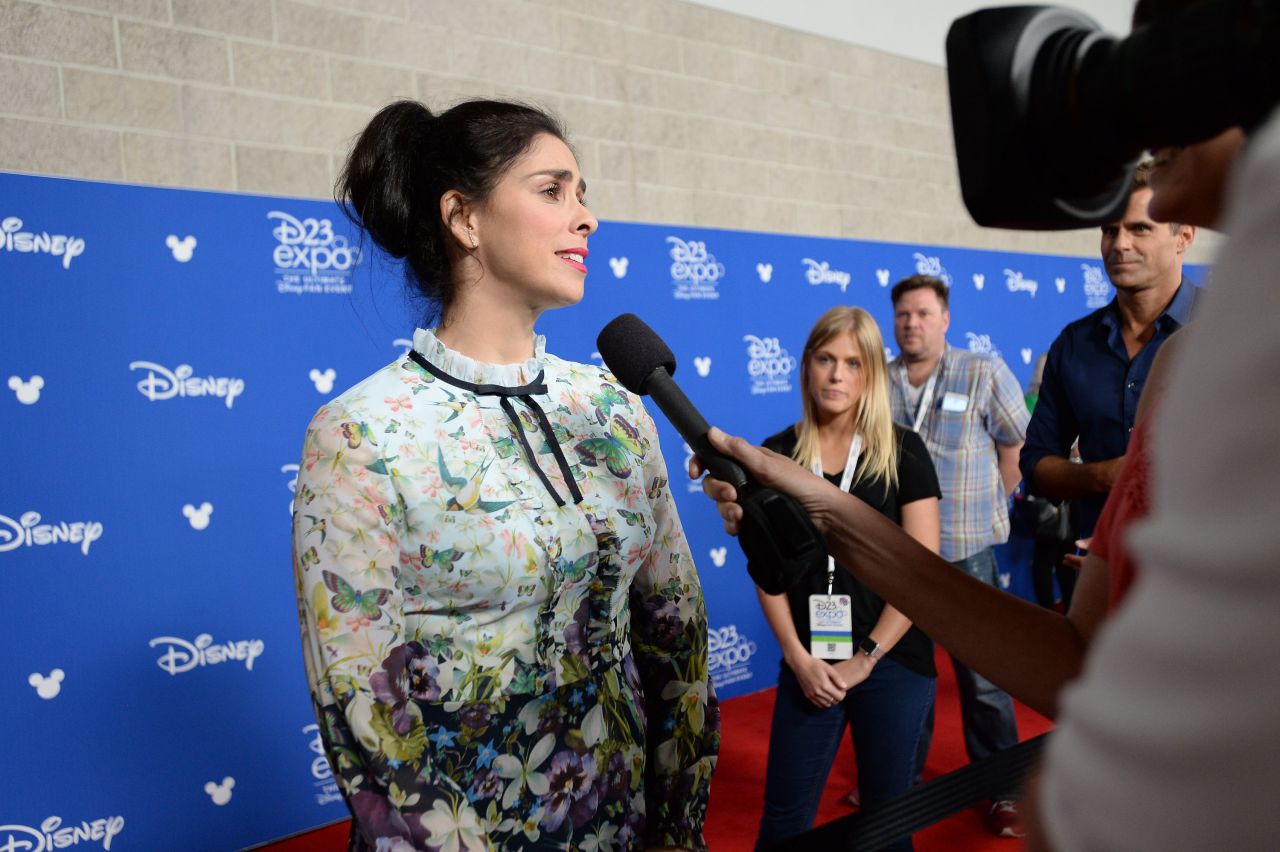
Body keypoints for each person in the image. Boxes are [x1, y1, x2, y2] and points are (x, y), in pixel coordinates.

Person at [291, 99, 718, 852]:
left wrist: (679, 827)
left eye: (582, 193)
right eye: (553, 190)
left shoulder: (616, 410)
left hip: (625, 827)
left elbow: (675, 633)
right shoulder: (363, 432)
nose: (586, 217)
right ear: (465, 218)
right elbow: (365, 714)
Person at [751, 306, 941, 852]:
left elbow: (922, 573)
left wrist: (866, 659)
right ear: (807, 365)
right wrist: (798, 658)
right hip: (810, 662)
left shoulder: (904, 451)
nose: (837, 375)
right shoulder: (776, 454)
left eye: (853, 363)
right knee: (783, 821)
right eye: (826, 359)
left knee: (886, 825)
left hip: (892, 663)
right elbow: (768, 573)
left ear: (871, 376)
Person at [887, 275, 1029, 838]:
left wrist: (994, 499)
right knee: (904, 673)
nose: (912, 323)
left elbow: (1017, 441)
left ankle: (1007, 790)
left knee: (986, 679)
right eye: (903, 314)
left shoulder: (981, 370)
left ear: (945, 319)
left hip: (968, 548)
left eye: (923, 313)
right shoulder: (881, 379)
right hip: (901, 554)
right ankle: (899, 781)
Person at [1019, 162, 1198, 542]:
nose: (1120, 244)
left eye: (1140, 229)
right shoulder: (1074, 344)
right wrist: (1106, 475)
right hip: (1093, 570)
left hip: (1207, 578)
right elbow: (1036, 464)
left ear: (1183, 237)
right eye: (1109, 230)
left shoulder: (1227, 330)